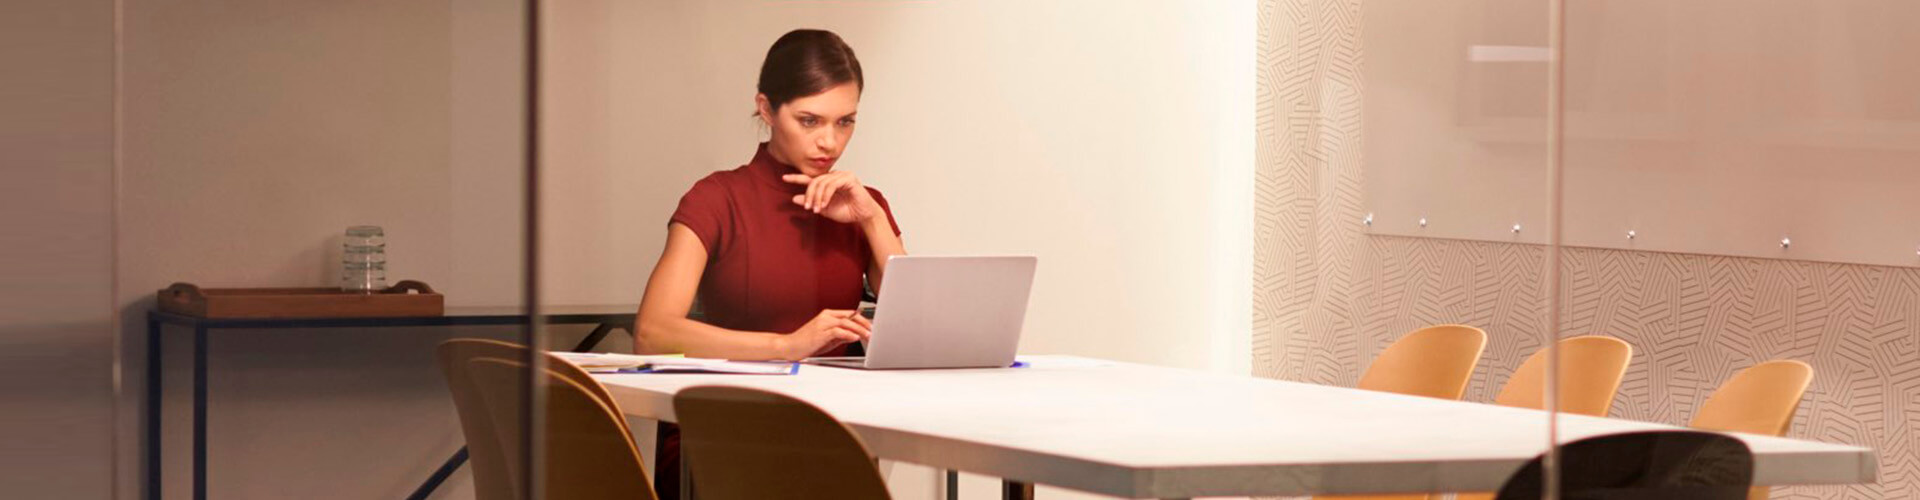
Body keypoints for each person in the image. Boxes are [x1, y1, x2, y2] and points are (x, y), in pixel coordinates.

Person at [632, 28, 905, 498]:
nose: (830, 142)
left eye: (845, 122)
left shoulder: (862, 204)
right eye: (809, 121)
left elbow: (915, 330)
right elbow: (652, 332)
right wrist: (788, 346)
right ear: (766, 109)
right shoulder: (716, 198)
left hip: (829, 430)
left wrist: (872, 219)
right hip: (725, 430)